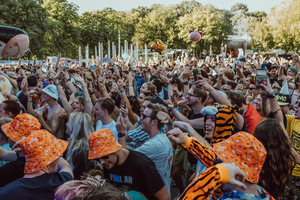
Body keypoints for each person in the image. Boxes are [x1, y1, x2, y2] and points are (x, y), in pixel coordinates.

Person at [168, 129, 272, 199]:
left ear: (238, 175)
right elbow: (213, 159)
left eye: (222, 165)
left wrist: (214, 175)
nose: (218, 166)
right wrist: (187, 141)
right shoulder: (262, 192)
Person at [88, 128, 170, 200]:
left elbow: (165, 198)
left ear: (114, 149)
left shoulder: (142, 164)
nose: (101, 162)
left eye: (105, 156)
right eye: (97, 159)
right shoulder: (108, 164)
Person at [118, 102, 173, 195]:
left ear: (154, 122)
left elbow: (124, 159)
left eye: (144, 116)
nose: (141, 119)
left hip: (155, 194)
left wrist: (121, 132)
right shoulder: (163, 137)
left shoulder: (154, 145)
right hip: (162, 190)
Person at [0, 130, 73, 200]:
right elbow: (66, 166)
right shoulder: (62, 182)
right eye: (58, 153)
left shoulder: (7, 193)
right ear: (50, 157)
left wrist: (28, 149)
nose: (60, 156)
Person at [0, 113, 41, 187]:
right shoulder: (44, 161)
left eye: (9, 134)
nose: (8, 137)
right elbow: (4, 154)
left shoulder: (9, 170)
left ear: (15, 138)